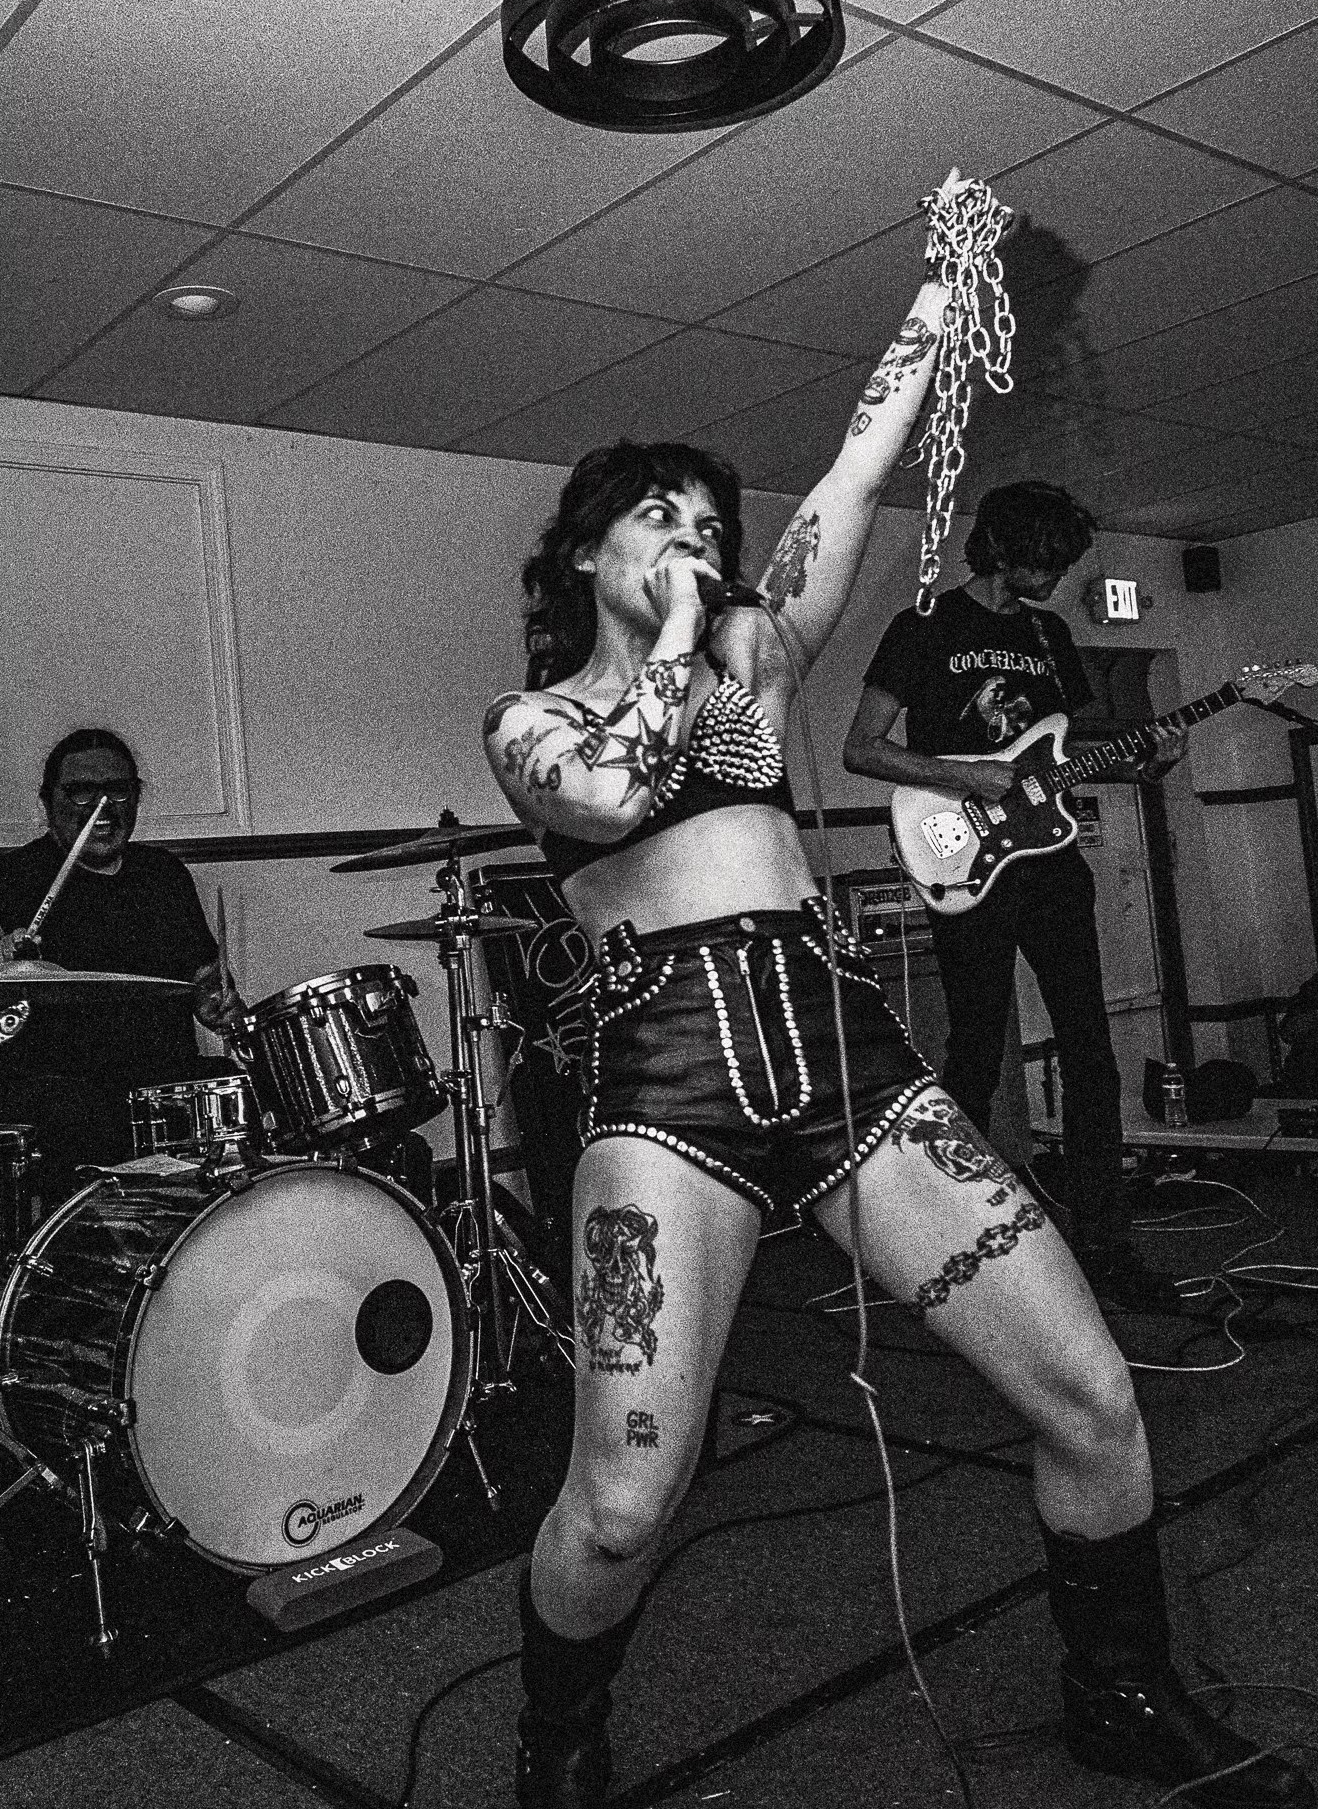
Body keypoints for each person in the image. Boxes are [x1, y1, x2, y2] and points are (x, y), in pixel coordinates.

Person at [482, 179, 1308, 1809]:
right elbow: (612, 788)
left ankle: (1119, 1689)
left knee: (1088, 1391)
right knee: (623, 1503)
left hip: (844, 1053)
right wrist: (678, 637)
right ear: (584, 550)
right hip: (669, 1079)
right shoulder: (532, 722)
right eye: (659, 517)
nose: (698, 538)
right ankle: (558, 1733)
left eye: (708, 522)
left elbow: (858, 470)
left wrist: (942, 291)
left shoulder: (754, 662)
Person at [843, 482, 1186, 1311]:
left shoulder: (1048, 634)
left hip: (1052, 866)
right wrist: (962, 775)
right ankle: (946, 1236)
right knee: (972, 1052)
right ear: (1000, 549)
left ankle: (1104, 1245)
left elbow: (1063, 754)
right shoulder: (924, 626)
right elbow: (862, 748)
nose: (1058, 577)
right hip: (966, 859)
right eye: (1047, 561)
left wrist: (1143, 759)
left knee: (1090, 1053)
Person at [0, 727, 243, 1210]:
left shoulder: (164, 875)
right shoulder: (6, 877)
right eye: (81, 792)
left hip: (158, 1094)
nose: (102, 806)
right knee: (71, 1115)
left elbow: (203, 978)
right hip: (51, 1100)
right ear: (48, 801)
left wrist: (218, 1001)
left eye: (118, 790)